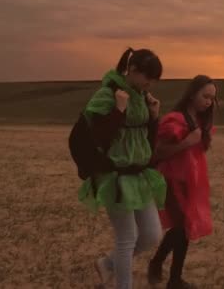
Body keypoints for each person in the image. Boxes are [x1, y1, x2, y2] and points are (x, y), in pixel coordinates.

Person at [77, 47, 166, 289]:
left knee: (151, 235)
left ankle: (107, 264)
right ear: (133, 70)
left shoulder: (141, 98)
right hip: (113, 176)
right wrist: (118, 110)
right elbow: (98, 137)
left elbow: (146, 142)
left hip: (138, 176)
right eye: (148, 78)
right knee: (127, 238)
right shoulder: (107, 94)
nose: (150, 84)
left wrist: (154, 117)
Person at [147, 75, 218, 289]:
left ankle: (170, 275)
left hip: (190, 181)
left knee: (184, 227)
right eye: (205, 96)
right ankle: (166, 272)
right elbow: (158, 151)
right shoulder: (175, 119)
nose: (208, 101)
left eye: (212, 98)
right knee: (181, 227)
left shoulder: (201, 121)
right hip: (171, 180)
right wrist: (187, 142)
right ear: (192, 93)